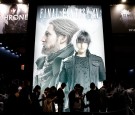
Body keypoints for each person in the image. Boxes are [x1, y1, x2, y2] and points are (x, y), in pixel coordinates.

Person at [58, 30, 106, 111]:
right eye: (79, 42)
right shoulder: (66, 61)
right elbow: (61, 83)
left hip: (91, 101)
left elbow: (102, 83)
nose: (81, 45)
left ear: (88, 43)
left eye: (84, 42)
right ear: (75, 43)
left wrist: (101, 101)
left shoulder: (98, 60)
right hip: (74, 102)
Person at [34, 18, 79, 94]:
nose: (42, 39)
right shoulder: (41, 61)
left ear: (63, 38)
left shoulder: (73, 63)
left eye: (47, 34)